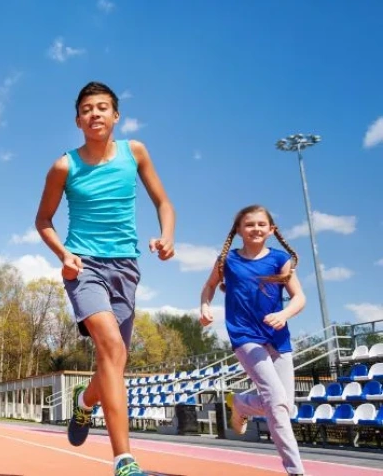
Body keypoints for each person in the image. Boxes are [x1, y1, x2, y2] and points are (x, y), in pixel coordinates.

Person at [33, 81, 175, 475]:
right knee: (110, 348)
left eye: (102, 108)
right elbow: (42, 220)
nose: (94, 114)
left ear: (116, 116)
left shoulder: (136, 152)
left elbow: (164, 202)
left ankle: (84, 402)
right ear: (78, 120)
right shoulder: (65, 165)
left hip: (126, 267)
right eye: (86, 109)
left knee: (115, 362)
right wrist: (64, 254)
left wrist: (167, 236)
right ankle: (124, 460)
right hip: (85, 268)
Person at [199, 204, 306, 476]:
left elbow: (299, 298)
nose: (256, 228)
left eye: (261, 224)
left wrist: (283, 314)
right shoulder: (228, 261)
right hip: (245, 335)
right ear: (238, 230)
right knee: (277, 403)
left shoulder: (280, 260)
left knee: (285, 405)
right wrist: (205, 306)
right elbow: (210, 285)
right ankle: (297, 471)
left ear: (271, 230)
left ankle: (242, 403)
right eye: (249, 224)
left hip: (277, 336)